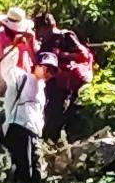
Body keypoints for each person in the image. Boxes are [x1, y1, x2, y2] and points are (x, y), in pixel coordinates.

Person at [0, 25, 47, 183]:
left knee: (36, 171)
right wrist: (13, 47)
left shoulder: (42, 88)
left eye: (51, 71)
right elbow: (6, 68)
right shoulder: (21, 77)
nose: (48, 73)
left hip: (34, 131)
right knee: (26, 170)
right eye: (46, 68)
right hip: (19, 127)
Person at [38, 12, 95, 143]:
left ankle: (52, 141)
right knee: (48, 112)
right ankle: (48, 141)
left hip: (63, 83)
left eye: (39, 29)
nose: (38, 33)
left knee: (57, 112)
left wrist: (62, 55)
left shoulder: (64, 36)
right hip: (48, 83)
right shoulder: (44, 42)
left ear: (48, 26)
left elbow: (83, 55)